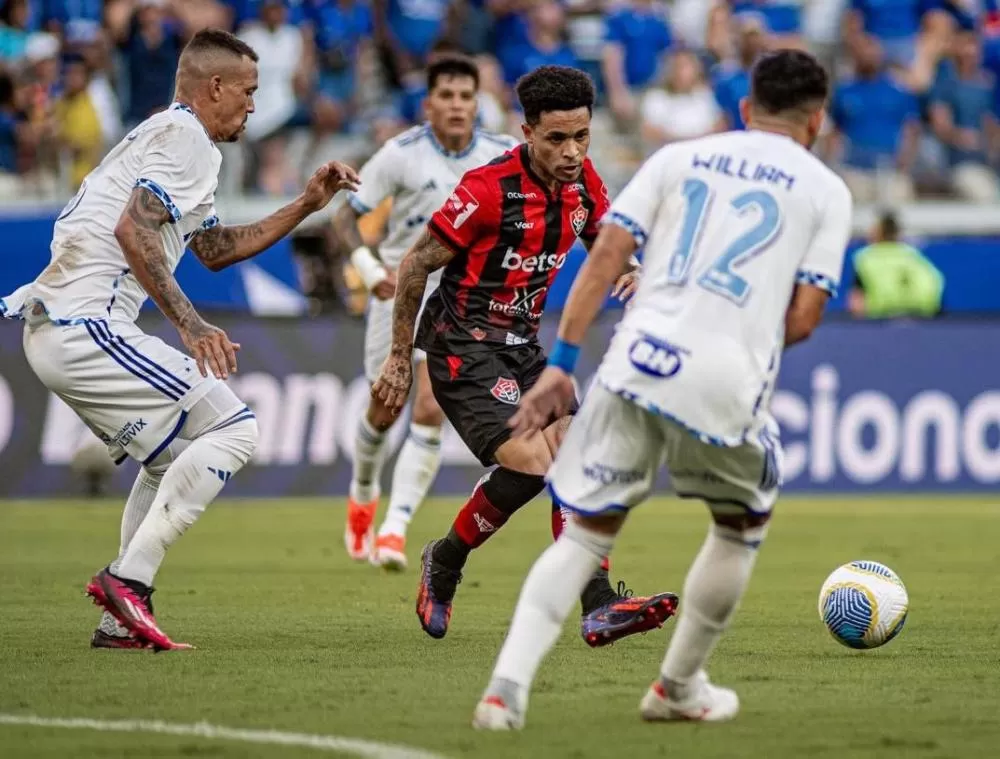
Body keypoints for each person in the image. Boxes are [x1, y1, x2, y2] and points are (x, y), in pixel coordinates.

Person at [471, 49, 852, 729]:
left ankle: (505, 691)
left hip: (633, 360)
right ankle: (677, 686)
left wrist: (561, 359)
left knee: (585, 533)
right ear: (817, 120)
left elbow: (608, 257)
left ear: (743, 109)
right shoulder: (826, 189)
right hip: (723, 377)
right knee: (739, 524)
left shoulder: (679, 158)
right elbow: (802, 318)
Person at [0, 28, 359, 651]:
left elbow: (216, 250)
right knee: (237, 428)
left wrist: (306, 203)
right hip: (85, 324)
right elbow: (132, 232)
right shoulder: (187, 138)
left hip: (62, 331)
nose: (253, 105)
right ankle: (127, 583)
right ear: (213, 87)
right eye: (247, 91)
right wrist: (192, 325)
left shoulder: (169, 137)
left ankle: (119, 622)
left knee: (167, 459)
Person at [372, 65, 678, 645]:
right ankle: (445, 563)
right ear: (526, 131)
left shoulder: (585, 183)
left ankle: (595, 606)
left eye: (581, 136)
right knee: (533, 465)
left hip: (526, 349)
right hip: (464, 348)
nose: (571, 152)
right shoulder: (487, 191)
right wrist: (396, 358)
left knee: (580, 462)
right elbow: (415, 265)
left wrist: (632, 272)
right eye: (556, 139)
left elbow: (604, 243)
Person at [334, 53, 519, 570]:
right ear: (429, 104)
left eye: (466, 96)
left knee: (431, 405)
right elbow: (345, 219)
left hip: (463, 301)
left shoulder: (502, 153)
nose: (458, 105)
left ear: (477, 103)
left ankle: (394, 530)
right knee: (385, 406)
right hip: (400, 291)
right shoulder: (400, 154)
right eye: (447, 96)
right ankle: (364, 489)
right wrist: (370, 271)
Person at [848, 211, 943, 319]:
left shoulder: (865, 257)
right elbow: (934, 282)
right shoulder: (911, 254)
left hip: (878, 319)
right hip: (921, 316)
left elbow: (856, 302)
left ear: (878, 232)